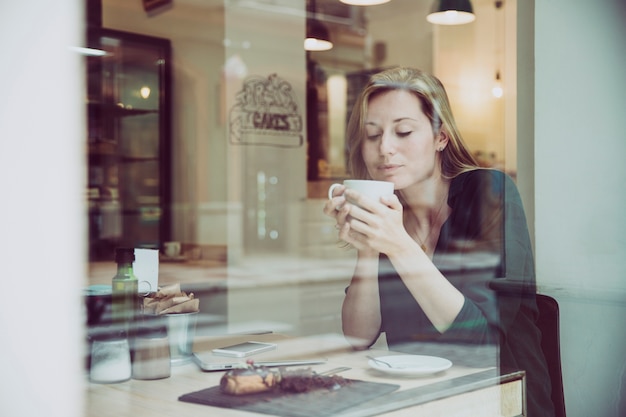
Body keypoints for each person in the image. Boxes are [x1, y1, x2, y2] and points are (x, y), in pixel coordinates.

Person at [324, 67, 554, 417]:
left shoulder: (488, 192)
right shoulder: (392, 213)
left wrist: (398, 245)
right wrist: (369, 249)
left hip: (498, 401)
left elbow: (479, 337)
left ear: (441, 138)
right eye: (373, 134)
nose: (385, 148)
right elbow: (359, 337)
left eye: (403, 131)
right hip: (417, 403)